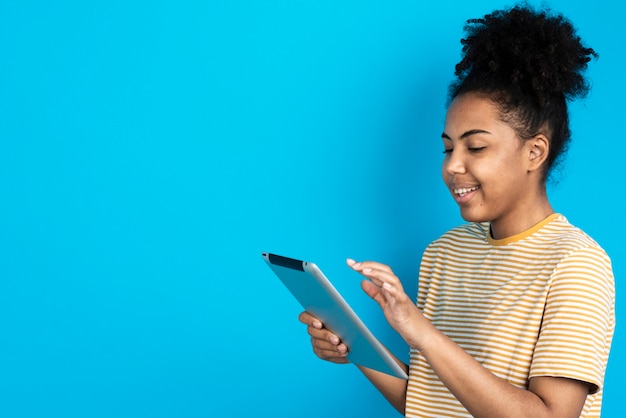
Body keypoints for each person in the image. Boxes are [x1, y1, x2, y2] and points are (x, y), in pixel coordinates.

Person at [298, 4, 615, 418]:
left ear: (534, 151)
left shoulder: (576, 263)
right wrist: (354, 347)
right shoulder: (444, 253)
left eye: (476, 147)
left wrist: (421, 331)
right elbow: (431, 402)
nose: (452, 166)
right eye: (448, 148)